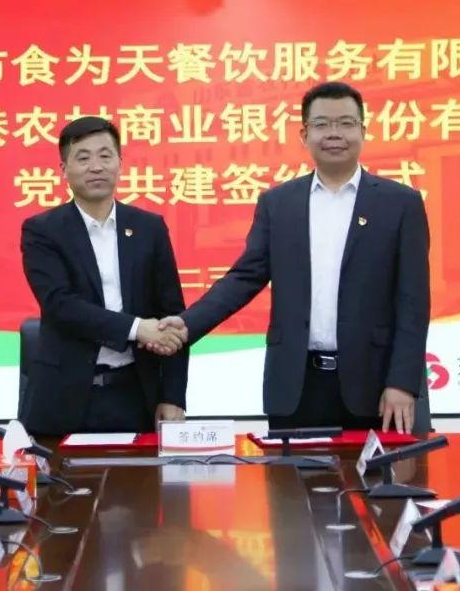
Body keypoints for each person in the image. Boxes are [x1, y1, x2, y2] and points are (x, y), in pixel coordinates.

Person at [155, 81, 430, 433]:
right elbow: (245, 278)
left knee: (376, 472)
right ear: (304, 134)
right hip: (296, 388)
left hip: (375, 387)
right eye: (322, 124)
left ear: (363, 131)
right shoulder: (279, 204)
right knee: (293, 472)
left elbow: (413, 302)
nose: (334, 133)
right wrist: (187, 324)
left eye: (346, 123)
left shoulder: (400, 203)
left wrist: (402, 382)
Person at [19, 116, 188, 436]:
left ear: (120, 164)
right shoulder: (43, 230)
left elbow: (172, 315)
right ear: (64, 169)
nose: (96, 166)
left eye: (105, 155)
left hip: (136, 396)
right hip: (63, 400)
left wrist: (173, 396)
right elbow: (60, 305)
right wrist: (137, 329)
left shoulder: (149, 228)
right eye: (83, 158)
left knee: (141, 473)